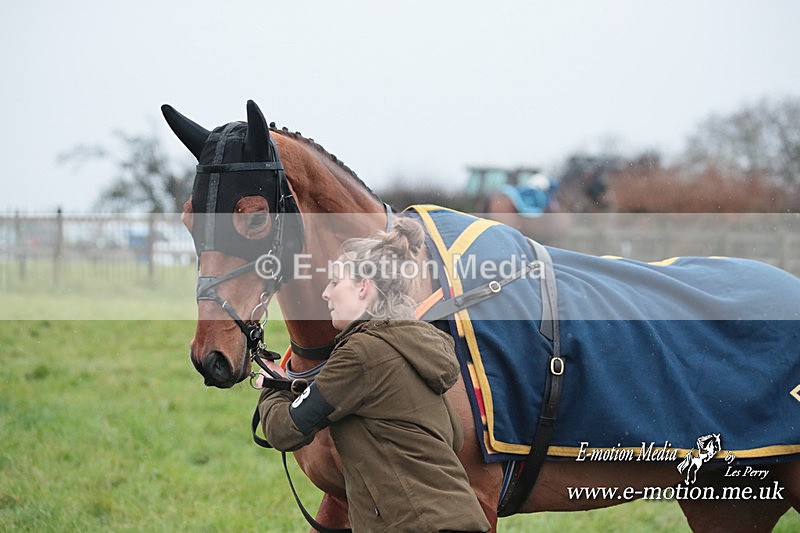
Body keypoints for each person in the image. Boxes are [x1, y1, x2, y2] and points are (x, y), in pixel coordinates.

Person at [256, 217, 490, 533]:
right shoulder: (412, 346)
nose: (326, 293)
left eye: (336, 282)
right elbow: (453, 436)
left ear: (364, 287)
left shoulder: (361, 354)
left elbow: (285, 431)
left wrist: (272, 385)